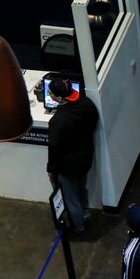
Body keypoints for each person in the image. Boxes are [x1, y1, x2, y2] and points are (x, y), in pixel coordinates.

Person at [46, 77, 99, 234]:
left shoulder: (58, 121)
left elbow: (54, 148)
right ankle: (85, 215)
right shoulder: (87, 104)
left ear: (59, 98)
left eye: (50, 93)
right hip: (85, 158)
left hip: (68, 167)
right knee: (81, 189)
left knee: (70, 199)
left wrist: (51, 169)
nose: (50, 96)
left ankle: (78, 227)